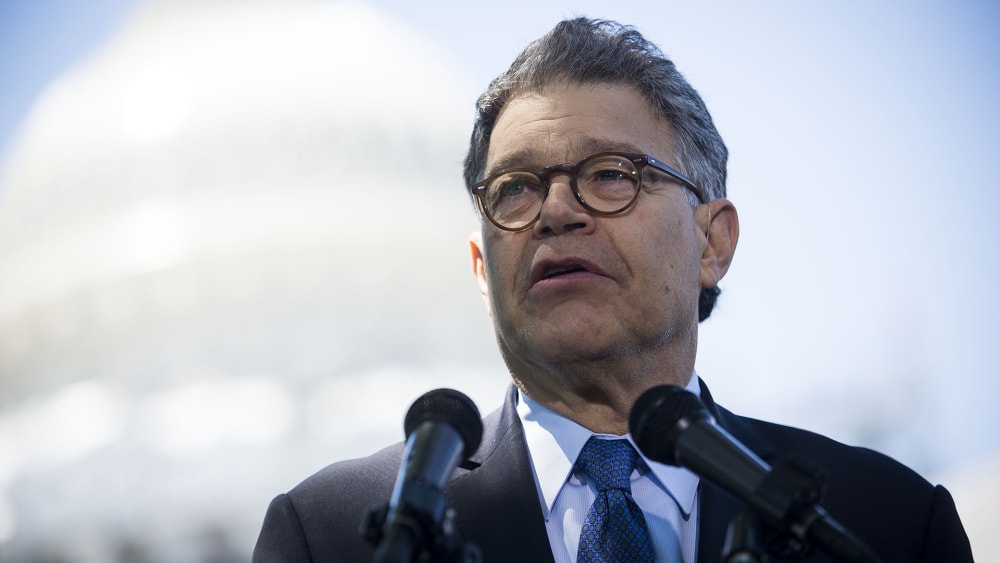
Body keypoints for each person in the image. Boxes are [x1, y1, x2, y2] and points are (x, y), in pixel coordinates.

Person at [252, 18, 973, 562]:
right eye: (516, 188)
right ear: (482, 267)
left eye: (609, 175)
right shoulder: (332, 531)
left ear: (713, 242)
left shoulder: (886, 520)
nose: (557, 211)